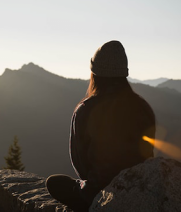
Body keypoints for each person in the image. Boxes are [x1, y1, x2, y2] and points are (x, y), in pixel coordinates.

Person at [46, 40, 156, 212]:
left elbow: (80, 164)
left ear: (94, 74)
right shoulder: (143, 108)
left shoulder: (85, 109)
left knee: (54, 183)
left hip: (98, 193)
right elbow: (148, 155)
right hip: (138, 189)